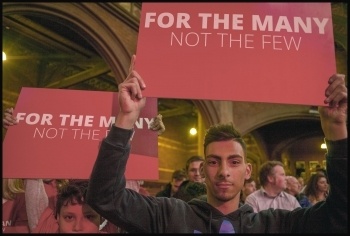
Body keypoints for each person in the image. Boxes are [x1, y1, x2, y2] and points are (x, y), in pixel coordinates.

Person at [86, 55, 347, 233]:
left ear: (247, 171)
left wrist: (336, 131)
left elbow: (340, 215)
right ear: (203, 171)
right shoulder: (171, 216)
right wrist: (126, 118)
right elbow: (105, 197)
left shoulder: (274, 224)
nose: (223, 171)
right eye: (213, 161)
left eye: (234, 162)